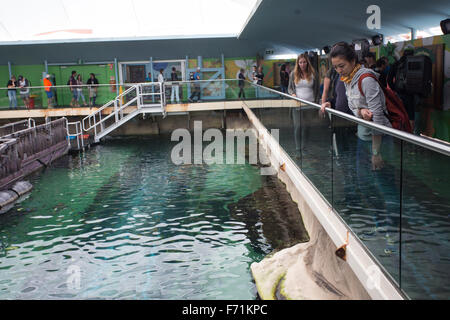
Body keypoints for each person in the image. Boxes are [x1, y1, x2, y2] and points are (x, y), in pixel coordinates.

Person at [322, 42, 398, 251]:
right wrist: (359, 112)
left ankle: (393, 232)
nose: (338, 71)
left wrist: (376, 153)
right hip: (362, 139)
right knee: (366, 185)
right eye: (336, 67)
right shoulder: (348, 80)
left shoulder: (367, 79)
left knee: (386, 187)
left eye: (342, 66)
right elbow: (359, 110)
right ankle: (380, 226)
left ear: (353, 61)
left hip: (379, 142)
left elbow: (379, 120)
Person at [288, 53, 320, 156]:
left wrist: (317, 103)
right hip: (297, 105)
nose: (302, 64)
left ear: (307, 62)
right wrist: (292, 93)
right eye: (300, 62)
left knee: (306, 126)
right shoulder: (293, 74)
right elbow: (290, 88)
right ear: (298, 63)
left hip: (310, 104)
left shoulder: (314, 73)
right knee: (298, 126)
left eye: (304, 62)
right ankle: (298, 149)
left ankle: (304, 147)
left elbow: (317, 90)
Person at [387, 49, 416, 130]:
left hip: (399, 94)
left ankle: (400, 135)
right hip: (410, 94)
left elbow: (389, 80)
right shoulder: (415, 63)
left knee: (400, 114)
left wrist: (395, 89)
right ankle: (410, 136)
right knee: (411, 116)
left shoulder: (396, 64)